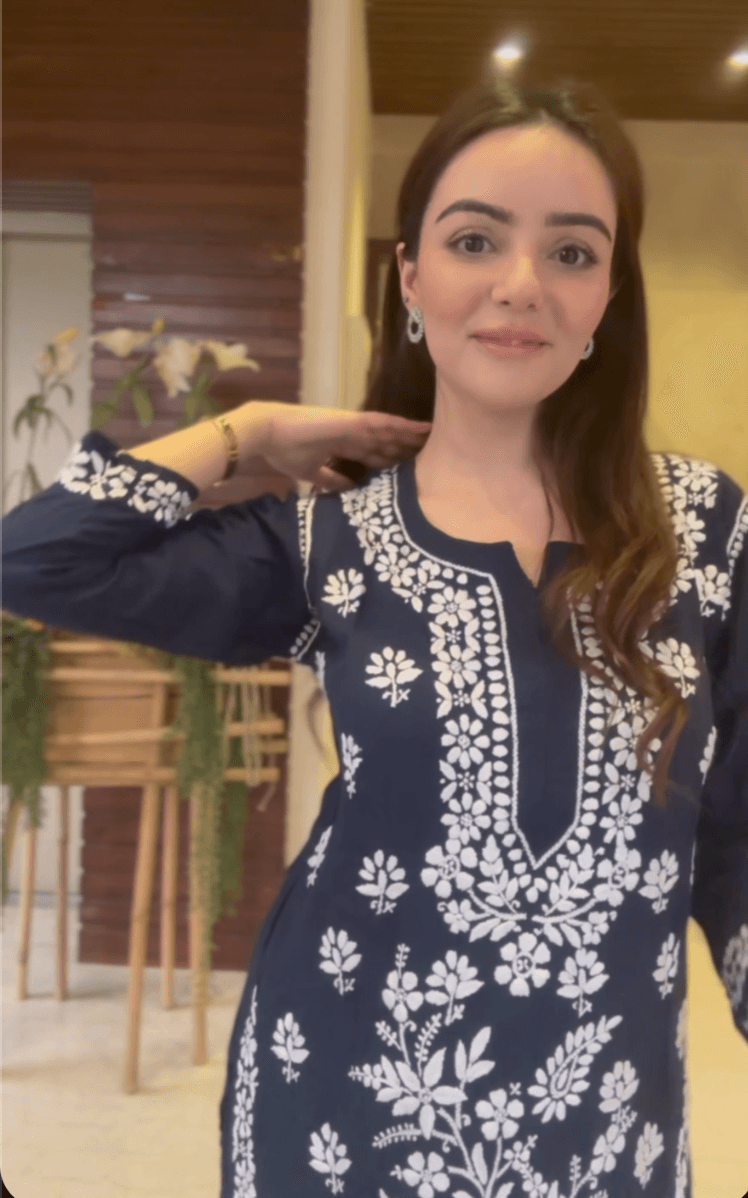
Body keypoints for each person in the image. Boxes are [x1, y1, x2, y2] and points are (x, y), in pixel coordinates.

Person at [3, 74, 747, 1198]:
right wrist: (248, 429)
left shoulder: (702, 530)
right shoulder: (325, 542)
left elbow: (736, 824)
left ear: (609, 293)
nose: (520, 283)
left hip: (606, 1120)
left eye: (571, 252)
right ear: (410, 277)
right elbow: (38, 558)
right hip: (349, 1105)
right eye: (474, 239)